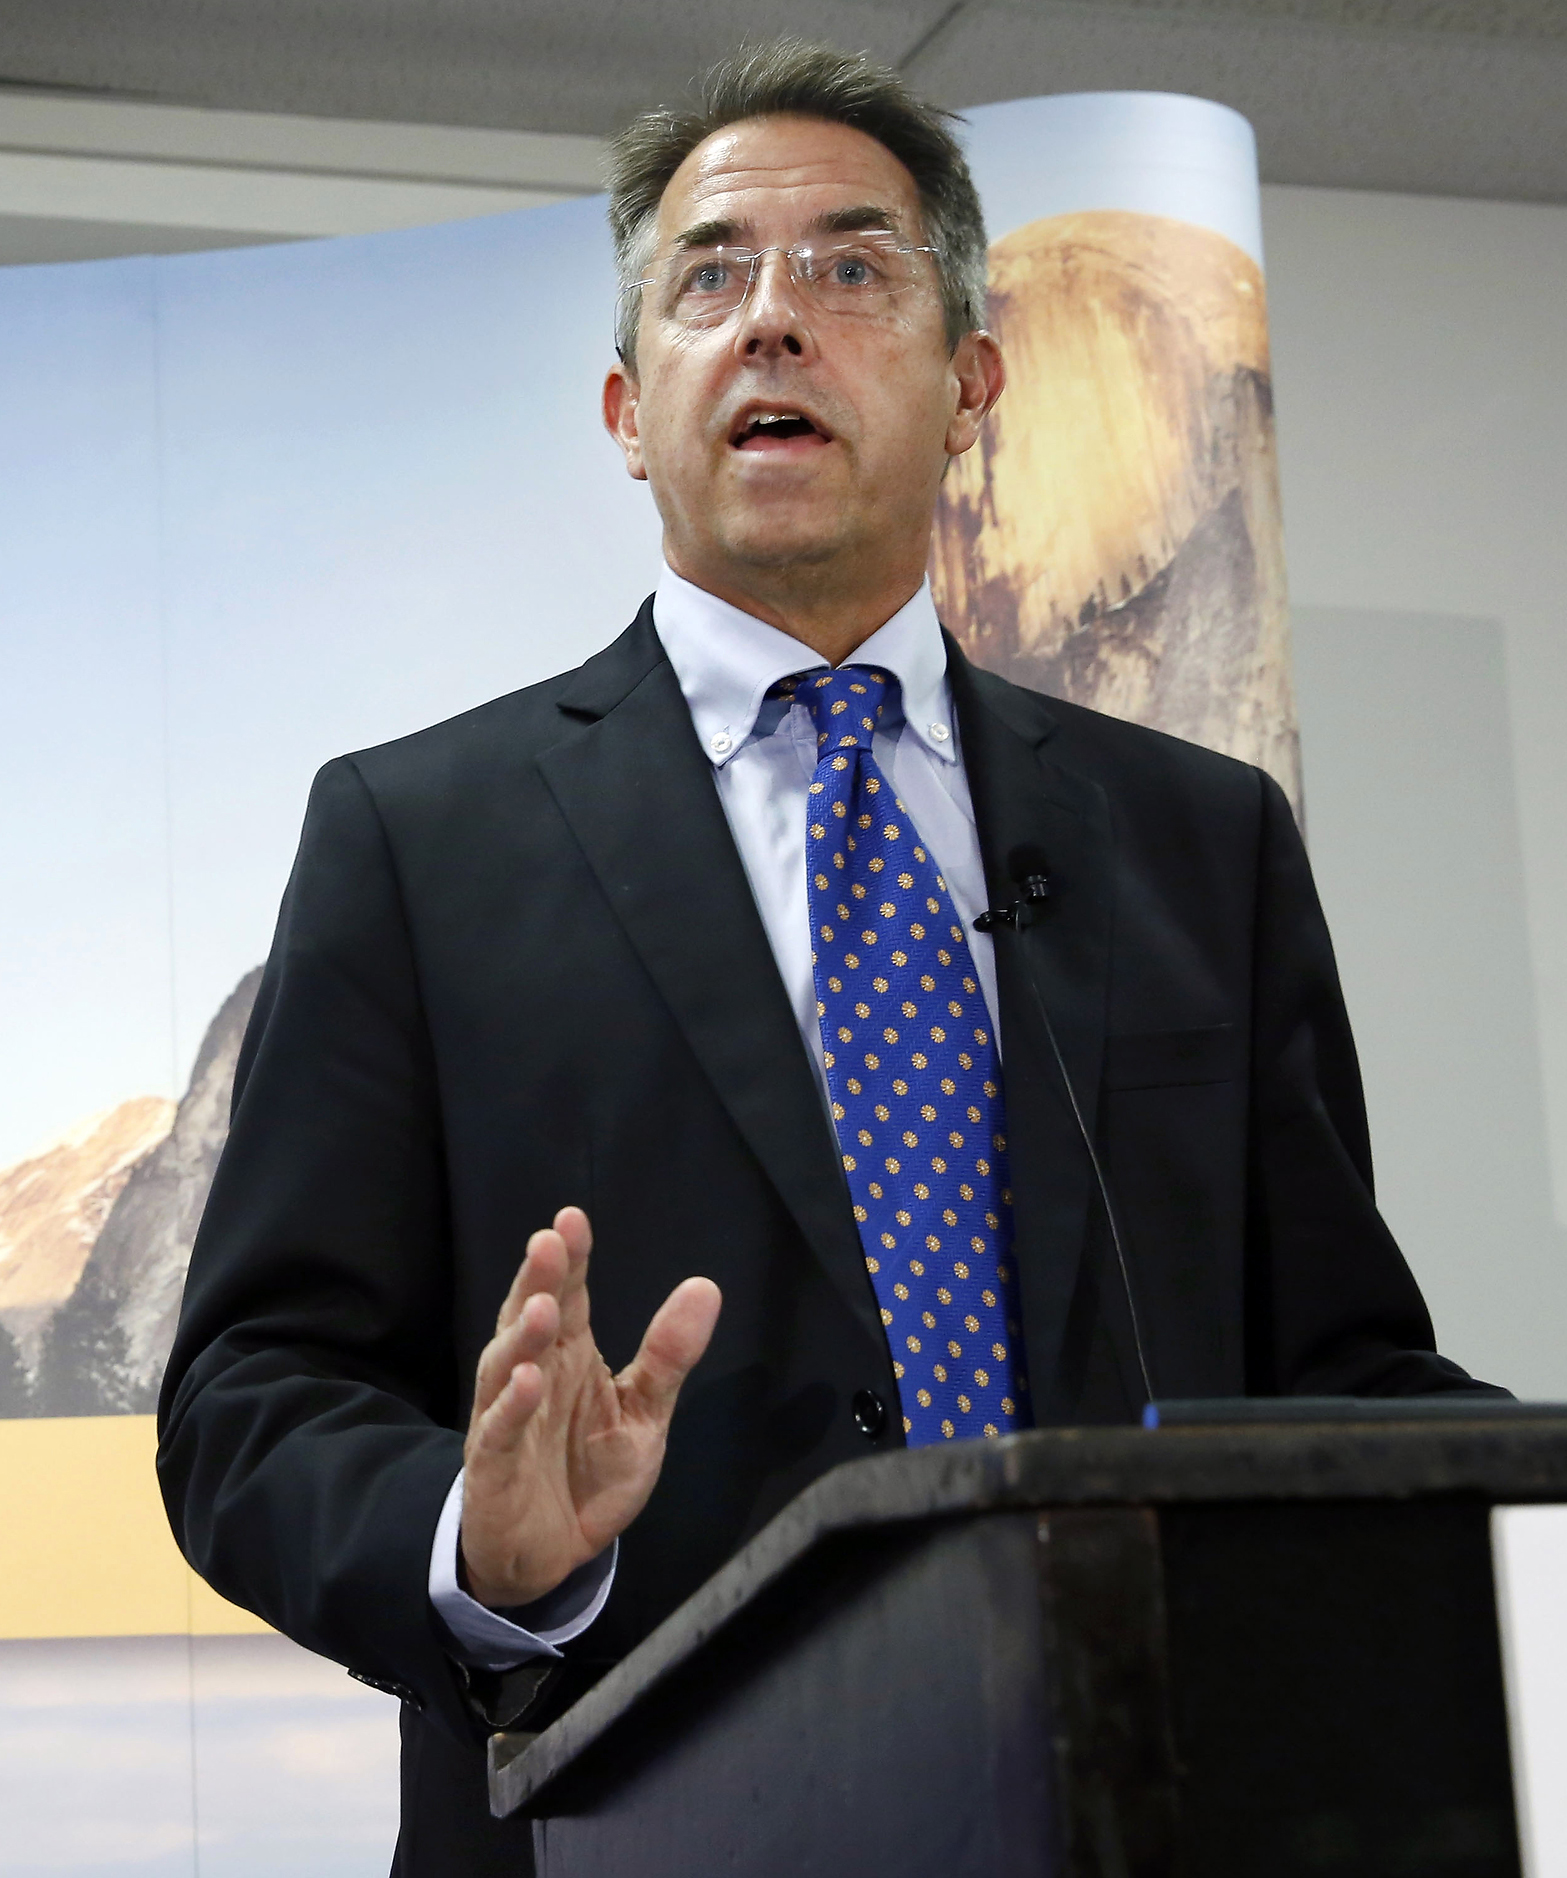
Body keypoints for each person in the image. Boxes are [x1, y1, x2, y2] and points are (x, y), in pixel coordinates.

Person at [154, 38, 1497, 1876]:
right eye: (712, 277)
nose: (774, 320)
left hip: (1158, 1805)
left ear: (972, 387)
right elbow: (251, 1394)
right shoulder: (422, 839)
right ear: (631, 407)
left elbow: (1335, 1372)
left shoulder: (1197, 841)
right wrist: (481, 1542)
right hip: (639, 1822)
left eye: (852, 268)